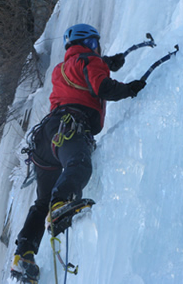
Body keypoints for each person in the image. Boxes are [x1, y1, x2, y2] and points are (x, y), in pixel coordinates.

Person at [11, 23, 146, 281]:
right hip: (71, 128)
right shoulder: (91, 62)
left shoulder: (62, 68)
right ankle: (62, 202)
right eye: (96, 44)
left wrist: (107, 63)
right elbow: (101, 87)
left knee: (41, 202)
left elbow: (85, 68)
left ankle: (23, 255)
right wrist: (129, 88)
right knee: (79, 164)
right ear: (90, 43)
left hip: (45, 140)